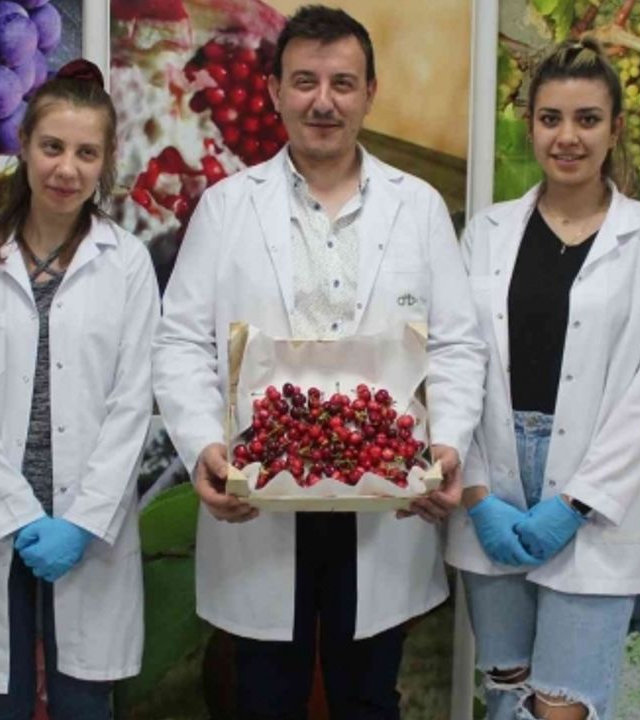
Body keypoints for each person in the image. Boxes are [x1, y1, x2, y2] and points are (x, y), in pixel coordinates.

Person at [152, 5, 486, 718]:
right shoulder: (226, 208)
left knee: (368, 697)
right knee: (262, 697)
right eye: (305, 81)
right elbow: (179, 341)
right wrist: (205, 446)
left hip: (383, 496)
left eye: (342, 83)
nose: (323, 101)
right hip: (260, 496)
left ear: (371, 93)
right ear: (275, 90)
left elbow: (457, 343)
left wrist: (449, 442)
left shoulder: (419, 208)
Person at [444, 39, 640, 720]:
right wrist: (476, 493)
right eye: (551, 118)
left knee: (563, 709)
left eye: (588, 119)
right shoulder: (487, 232)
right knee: (507, 696)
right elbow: (454, 363)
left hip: (595, 489)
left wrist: (577, 502)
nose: (568, 137)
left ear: (615, 128)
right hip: (493, 484)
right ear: (530, 125)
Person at [0, 58, 159, 720]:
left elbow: (132, 401)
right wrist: (17, 514)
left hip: (86, 524)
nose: (67, 169)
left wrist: (81, 522)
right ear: (24, 146)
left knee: (84, 701)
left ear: (105, 162)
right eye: (52, 147)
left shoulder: (128, 263)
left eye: (86, 153)